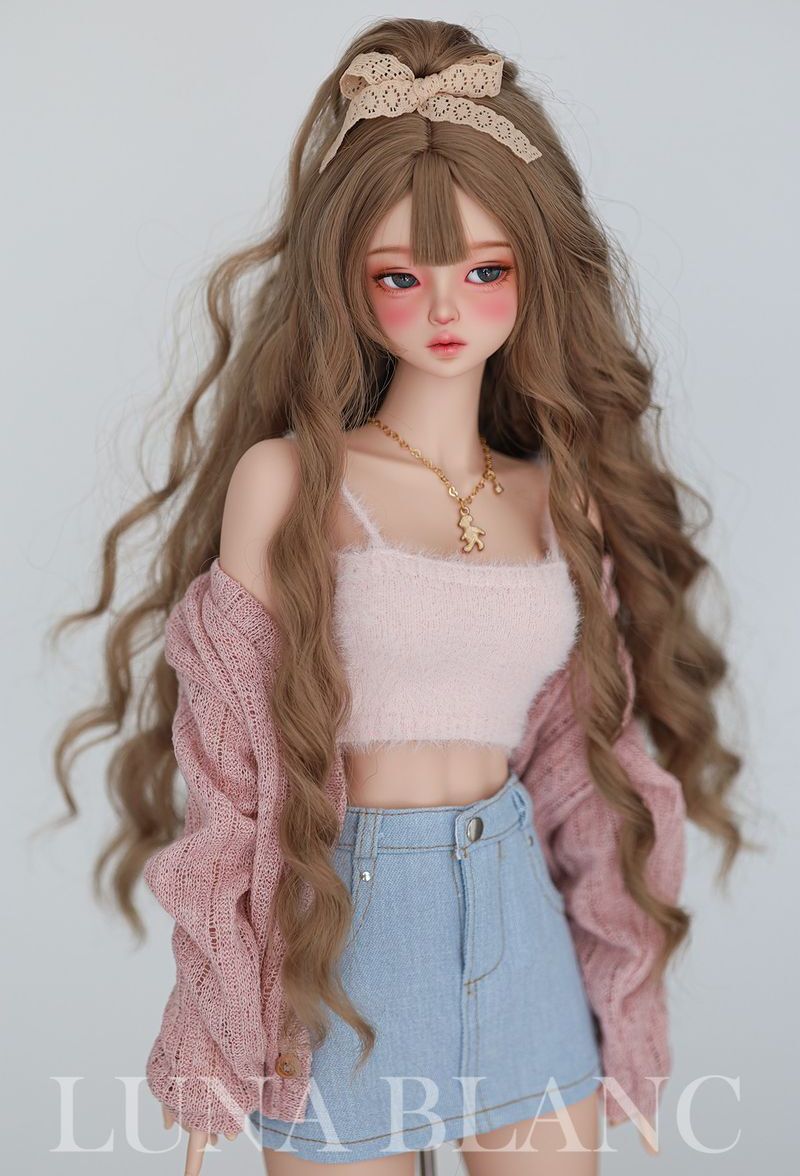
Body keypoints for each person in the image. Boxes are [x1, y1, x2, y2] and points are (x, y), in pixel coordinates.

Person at [50, 17, 750, 1175]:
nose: (444, 308)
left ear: (534, 272)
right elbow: (231, 777)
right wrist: (213, 1033)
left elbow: (591, 768)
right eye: (399, 276)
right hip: (342, 949)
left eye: (484, 271)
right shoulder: (290, 484)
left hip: (519, 934)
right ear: (346, 282)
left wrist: (627, 1009)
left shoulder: (554, 499)